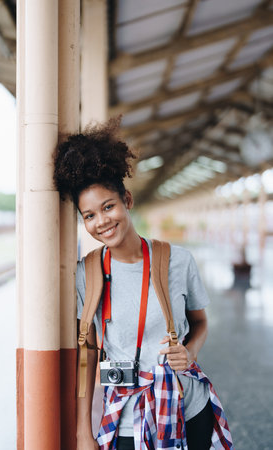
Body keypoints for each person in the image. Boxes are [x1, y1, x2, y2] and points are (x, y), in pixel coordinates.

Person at [53, 118, 232, 450]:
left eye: (108, 206)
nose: (102, 221)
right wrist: (83, 431)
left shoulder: (178, 261)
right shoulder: (86, 275)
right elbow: (86, 356)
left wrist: (189, 352)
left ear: (127, 200)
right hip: (124, 419)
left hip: (185, 408)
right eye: (89, 215)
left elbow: (200, 322)